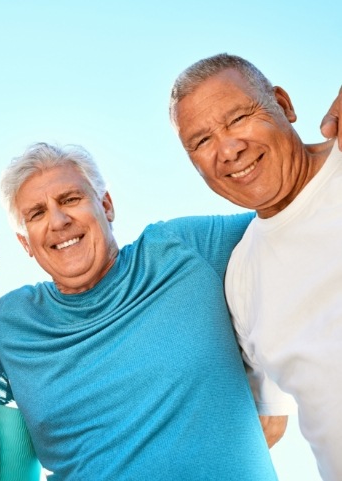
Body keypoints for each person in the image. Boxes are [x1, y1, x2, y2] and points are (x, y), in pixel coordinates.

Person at [0, 142, 276, 480]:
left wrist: (276, 395)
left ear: (106, 205)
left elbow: (293, 217)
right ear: (26, 242)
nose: (58, 221)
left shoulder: (182, 249)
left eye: (70, 199)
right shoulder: (11, 322)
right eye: (37, 213)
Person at [169, 53, 342, 481]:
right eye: (201, 141)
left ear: (283, 105)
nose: (228, 150)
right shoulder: (242, 279)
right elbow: (269, 421)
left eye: (238, 118)